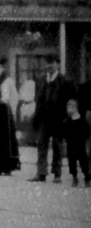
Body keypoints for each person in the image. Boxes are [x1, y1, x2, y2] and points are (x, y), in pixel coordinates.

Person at [29, 55, 77, 183]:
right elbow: (38, 99)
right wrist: (36, 116)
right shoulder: (41, 80)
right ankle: (41, 173)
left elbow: (72, 100)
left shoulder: (66, 81)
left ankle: (57, 174)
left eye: (52, 63)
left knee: (57, 146)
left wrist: (68, 117)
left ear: (58, 64)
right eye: (47, 63)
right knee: (41, 144)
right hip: (43, 118)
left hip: (59, 119)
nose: (49, 65)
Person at [62, 99, 90, 188]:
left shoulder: (82, 121)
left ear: (76, 108)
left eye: (72, 107)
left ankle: (87, 177)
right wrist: (66, 139)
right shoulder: (67, 121)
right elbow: (64, 132)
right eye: (68, 107)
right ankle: (74, 177)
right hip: (70, 144)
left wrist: (83, 139)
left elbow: (87, 132)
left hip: (80, 144)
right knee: (72, 162)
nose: (70, 109)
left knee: (83, 162)